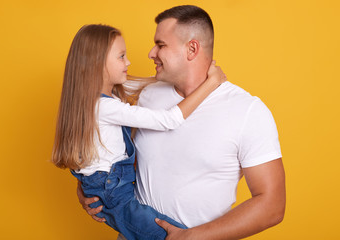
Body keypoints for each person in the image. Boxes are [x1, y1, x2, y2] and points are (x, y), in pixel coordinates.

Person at [78, 5, 286, 240]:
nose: (151, 53)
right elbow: (119, 158)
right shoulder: (148, 96)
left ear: (192, 48)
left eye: (161, 44)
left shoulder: (247, 110)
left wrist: (190, 237)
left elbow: (272, 206)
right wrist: (91, 188)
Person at [52, 24, 226, 240]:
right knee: (174, 234)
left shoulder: (103, 97)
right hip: (113, 193)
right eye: (121, 57)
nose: (128, 62)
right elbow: (168, 120)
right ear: (97, 64)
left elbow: (147, 83)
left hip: (110, 187)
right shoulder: (104, 107)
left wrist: (182, 72)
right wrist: (212, 83)